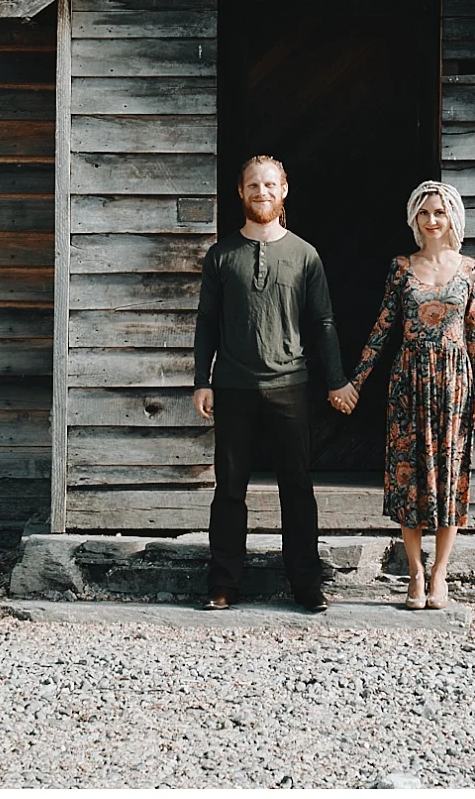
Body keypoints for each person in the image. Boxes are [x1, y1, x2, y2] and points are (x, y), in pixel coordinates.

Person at [192, 154, 346, 612]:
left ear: (284, 191)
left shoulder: (304, 254)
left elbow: (322, 322)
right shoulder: (221, 255)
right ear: (241, 193)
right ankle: (223, 583)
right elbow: (207, 322)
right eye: (254, 185)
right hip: (234, 385)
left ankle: (305, 584)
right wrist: (203, 380)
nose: (262, 192)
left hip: (289, 385)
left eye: (270, 185)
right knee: (230, 489)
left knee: (296, 487)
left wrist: (335, 379)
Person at [329, 180, 475, 609]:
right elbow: (383, 328)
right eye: (424, 213)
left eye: (439, 211)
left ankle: (440, 574)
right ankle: (415, 573)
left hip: (455, 381)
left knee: (449, 476)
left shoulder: (471, 270)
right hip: (409, 381)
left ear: (452, 215)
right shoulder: (402, 267)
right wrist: (356, 381)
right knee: (410, 476)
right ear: (414, 219)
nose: (432, 220)